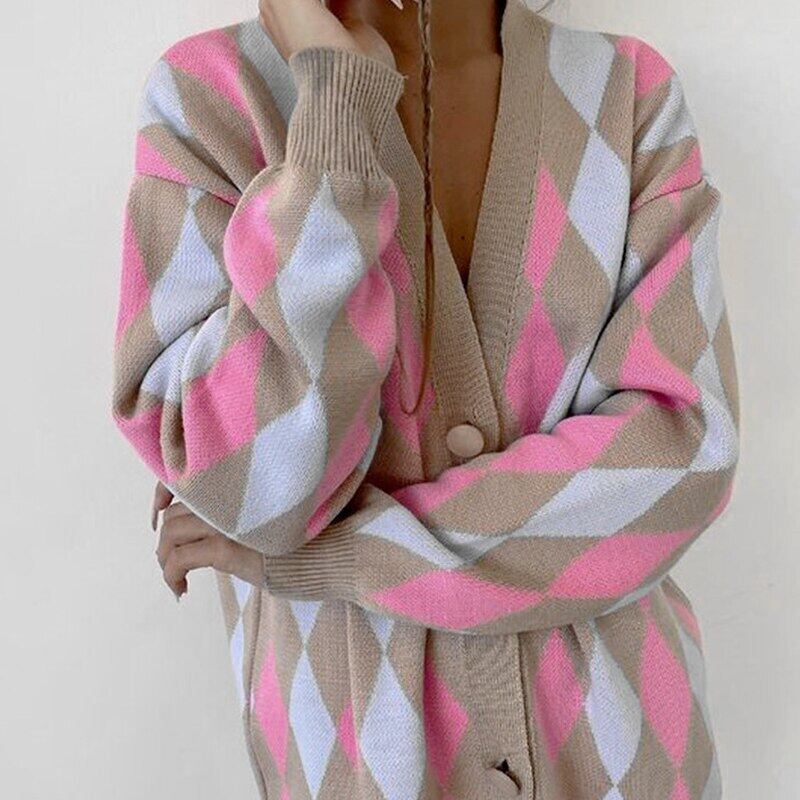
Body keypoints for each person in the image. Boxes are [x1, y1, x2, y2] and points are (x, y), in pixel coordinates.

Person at [111, 0, 740, 797]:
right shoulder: (212, 100)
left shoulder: (626, 93)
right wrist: (335, 114)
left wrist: (339, 555)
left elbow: (679, 457)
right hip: (358, 762)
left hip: (625, 753)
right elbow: (255, 487)